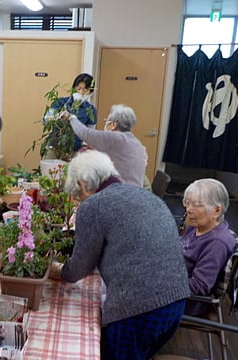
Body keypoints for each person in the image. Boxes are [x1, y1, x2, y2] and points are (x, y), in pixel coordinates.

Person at [50, 150, 189, 360]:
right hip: (176, 303)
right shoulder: (144, 195)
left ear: (82, 184)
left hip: (138, 310)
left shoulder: (93, 205)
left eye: (78, 197)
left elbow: (81, 266)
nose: (80, 202)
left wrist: (57, 272)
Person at [180, 178, 236, 316]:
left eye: (196, 205)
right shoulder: (196, 227)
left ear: (217, 211)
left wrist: (159, 281)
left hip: (184, 301)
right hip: (172, 279)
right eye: (187, 203)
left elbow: (199, 286)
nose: (189, 209)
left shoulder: (217, 243)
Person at [61, 103, 147, 187]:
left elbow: (84, 133)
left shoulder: (114, 137)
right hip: (136, 192)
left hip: (119, 192)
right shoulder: (137, 143)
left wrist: (71, 118)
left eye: (107, 121)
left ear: (113, 125)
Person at [47, 73, 97, 152]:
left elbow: (90, 133)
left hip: (76, 149)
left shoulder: (91, 109)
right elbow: (45, 120)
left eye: (85, 90)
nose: (81, 92)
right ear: (73, 88)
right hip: (55, 146)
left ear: (90, 92)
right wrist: (58, 116)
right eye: (79, 88)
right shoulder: (60, 102)